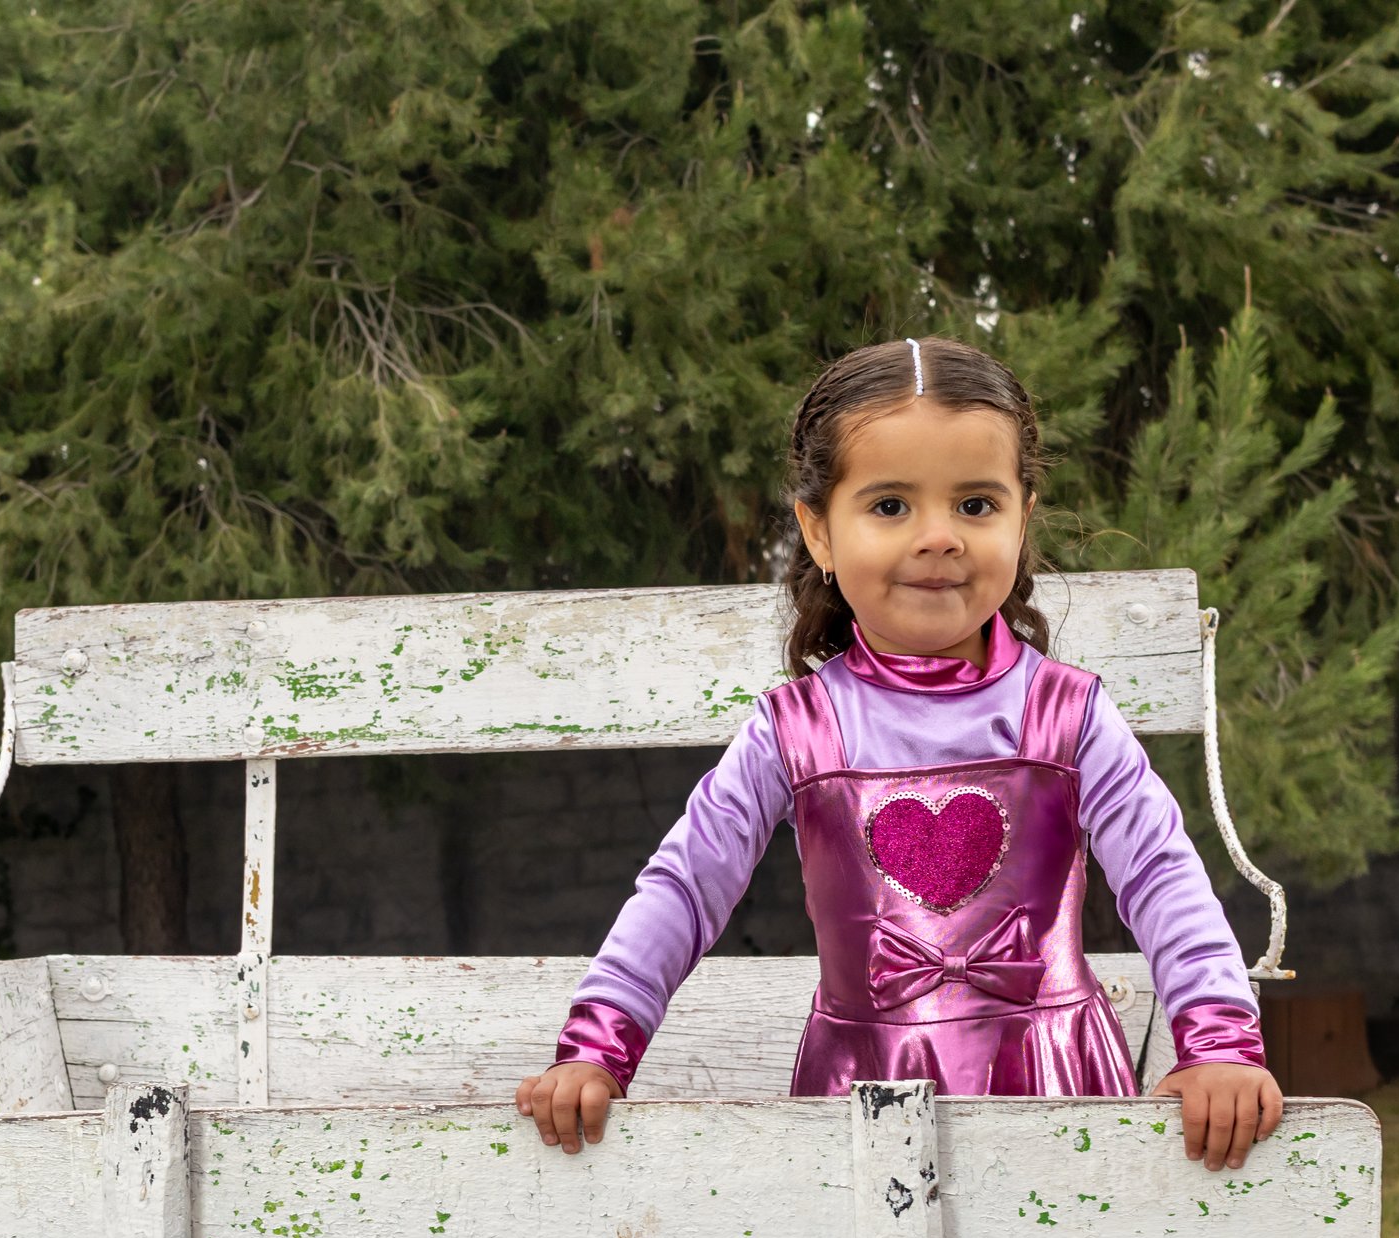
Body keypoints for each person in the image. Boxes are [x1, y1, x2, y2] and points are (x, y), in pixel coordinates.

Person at [515, 335, 1284, 1170]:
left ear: (1023, 514)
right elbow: (686, 885)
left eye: (976, 506)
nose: (938, 537)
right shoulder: (797, 729)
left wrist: (1218, 1043)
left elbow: (1164, 874)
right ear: (817, 528)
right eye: (889, 506)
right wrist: (597, 1046)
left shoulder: (1067, 716)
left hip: (1060, 1087)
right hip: (859, 1099)